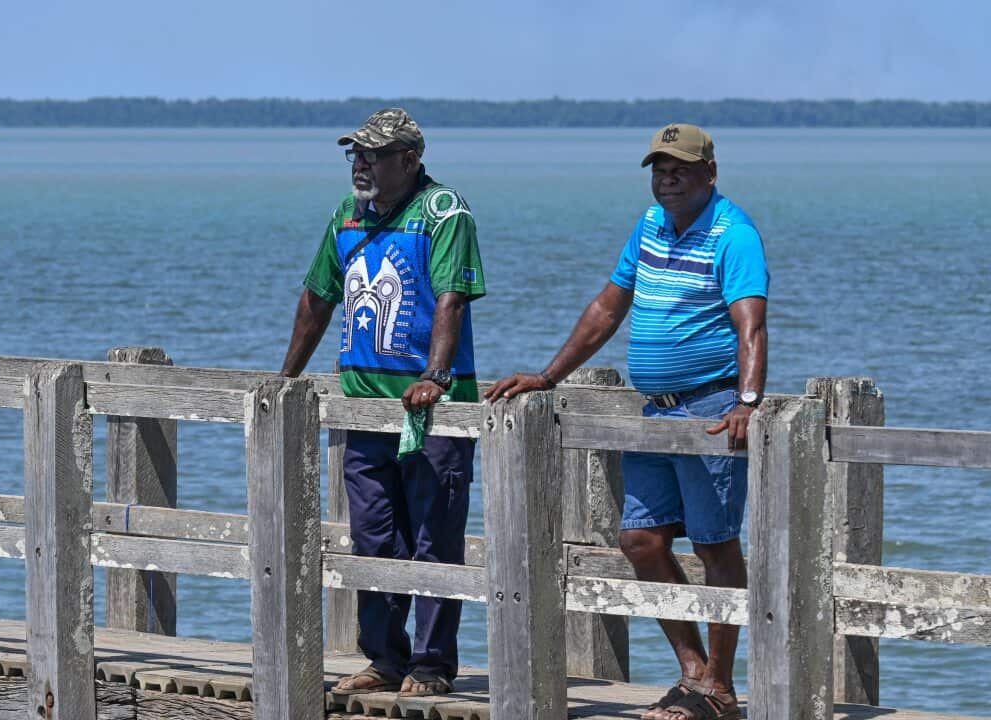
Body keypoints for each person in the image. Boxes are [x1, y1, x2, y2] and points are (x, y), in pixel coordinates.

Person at [485, 123, 767, 720]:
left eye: (680, 171)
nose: (666, 181)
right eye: (660, 171)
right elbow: (609, 306)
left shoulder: (733, 234)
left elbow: (751, 324)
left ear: (708, 174)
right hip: (654, 412)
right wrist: (548, 375)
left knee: (716, 544)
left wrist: (748, 400)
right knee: (640, 540)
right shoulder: (649, 225)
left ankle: (719, 687)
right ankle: (693, 672)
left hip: (711, 409)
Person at [280, 108, 486, 698]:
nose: (361, 164)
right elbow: (318, 298)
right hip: (365, 409)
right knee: (371, 536)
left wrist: (437, 376)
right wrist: (286, 379)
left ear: (410, 160)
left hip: (431, 410)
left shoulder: (444, 211)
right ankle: (385, 657)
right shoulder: (345, 215)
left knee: (433, 538)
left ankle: (431, 664)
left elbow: (452, 297)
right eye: (356, 154)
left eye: (373, 154)